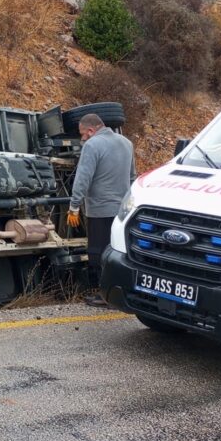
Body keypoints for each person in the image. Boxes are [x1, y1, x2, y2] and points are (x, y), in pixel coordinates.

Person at [67, 113, 135, 308]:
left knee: (98, 253)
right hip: (121, 210)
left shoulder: (92, 145)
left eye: (83, 134)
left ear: (91, 130)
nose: (82, 138)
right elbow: (132, 177)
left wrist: (73, 207)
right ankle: (120, 292)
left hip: (99, 209)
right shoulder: (126, 143)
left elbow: (83, 178)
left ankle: (104, 295)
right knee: (118, 251)